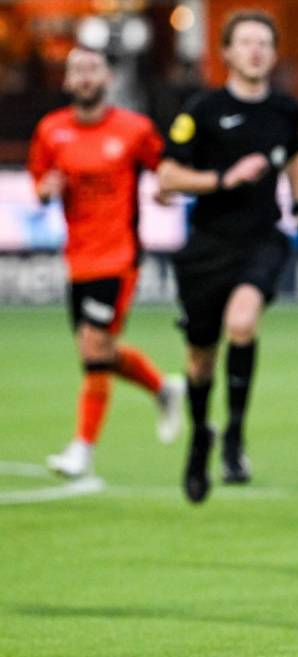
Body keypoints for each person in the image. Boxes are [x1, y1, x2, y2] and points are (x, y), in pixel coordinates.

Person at [158, 11, 298, 503]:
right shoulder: (202, 109)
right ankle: (200, 437)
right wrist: (222, 178)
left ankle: (234, 436)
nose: (255, 50)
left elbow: (295, 155)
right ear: (226, 52)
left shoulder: (286, 109)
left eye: (264, 43)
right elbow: (167, 176)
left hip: (262, 239)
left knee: (243, 322)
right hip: (207, 246)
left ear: (273, 53)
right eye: (245, 42)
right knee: (200, 358)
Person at [28, 46, 184, 479]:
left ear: (107, 79)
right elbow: (39, 183)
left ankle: (83, 448)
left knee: (94, 348)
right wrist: (45, 190)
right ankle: (162, 388)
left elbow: (166, 169)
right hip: (77, 258)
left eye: (93, 69)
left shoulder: (134, 129)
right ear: (66, 80)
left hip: (118, 256)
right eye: (77, 70)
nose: (85, 76)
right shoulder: (51, 131)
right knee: (99, 350)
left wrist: (166, 190)